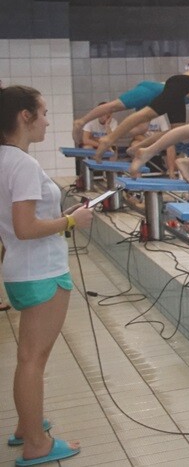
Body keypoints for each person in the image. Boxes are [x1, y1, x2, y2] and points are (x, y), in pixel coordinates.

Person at [1, 85, 93, 465]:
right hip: (41, 271)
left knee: (29, 357)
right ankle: (36, 444)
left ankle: (28, 425)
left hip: (22, 270)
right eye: (42, 113)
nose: (47, 121)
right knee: (32, 359)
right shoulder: (22, 164)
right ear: (24, 116)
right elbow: (25, 227)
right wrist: (72, 219)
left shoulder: (4, 159)